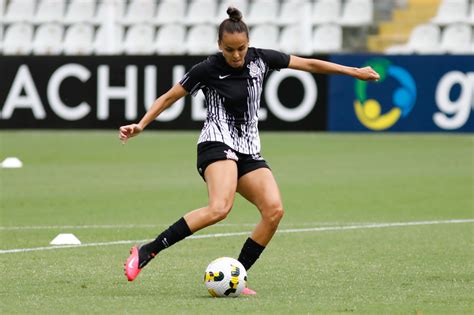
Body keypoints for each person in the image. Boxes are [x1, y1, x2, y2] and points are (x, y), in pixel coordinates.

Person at [120, 7, 380, 295]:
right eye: (229, 49)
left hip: (248, 150)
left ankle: (237, 276)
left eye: (241, 48)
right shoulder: (206, 69)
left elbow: (308, 65)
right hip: (216, 143)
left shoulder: (262, 59)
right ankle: (147, 251)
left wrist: (353, 72)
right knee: (220, 208)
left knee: (274, 211)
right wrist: (142, 124)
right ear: (220, 46)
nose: (235, 55)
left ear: (248, 43)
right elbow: (169, 96)